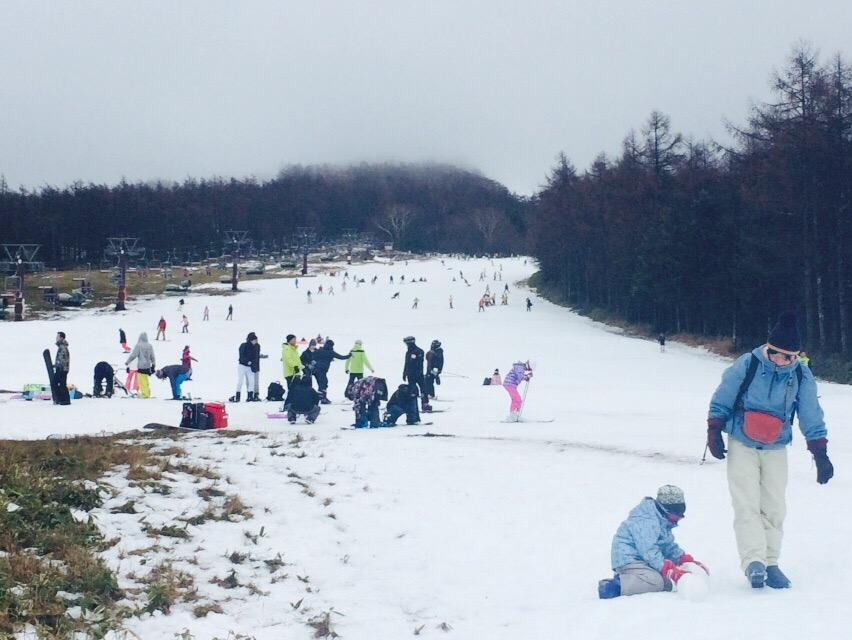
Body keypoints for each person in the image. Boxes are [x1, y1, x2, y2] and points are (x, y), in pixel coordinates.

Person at [706, 311, 832, 589]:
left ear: (796, 356)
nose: (781, 360)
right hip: (742, 441)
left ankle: (771, 562)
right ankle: (754, 562)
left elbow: (811, 412)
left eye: (788, 357)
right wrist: (714, 429)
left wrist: (820, 452)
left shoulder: (800, 374)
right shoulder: (748, 364)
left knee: (774, 506)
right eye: (776, 354)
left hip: (776, 445)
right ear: (768, 348)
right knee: (747, 503)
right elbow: (724, 395)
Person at [598, 486, 706, 599]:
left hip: (644, 560)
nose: (678, 520)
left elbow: (666, 545)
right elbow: (649, 551)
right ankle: (615, 586)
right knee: (657, 582)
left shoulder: (662, 520)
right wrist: (669, 569)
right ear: (665, 510)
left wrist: (683, 559)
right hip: (630, 559)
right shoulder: (646, 521)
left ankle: (633, 578)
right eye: (675, 516)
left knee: (666, 583)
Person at [310, 339, 349, 403]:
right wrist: (349, 355)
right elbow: (341, 357)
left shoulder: (320, 350)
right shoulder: (331, 352)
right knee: (323, 384)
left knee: (322, 383)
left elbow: (311, 356)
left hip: (315, 370)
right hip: (322, 370)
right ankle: (322, 399)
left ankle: (320, 398)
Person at [402, 336, 428, 412]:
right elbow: (406, 364)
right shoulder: (408, 352)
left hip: (418, 374)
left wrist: (416, 372)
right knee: (413, 391)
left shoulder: (419, 351)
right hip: (410, 375)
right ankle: (413, 406)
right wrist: (404, 373)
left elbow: (418, 363)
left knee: (423, 389)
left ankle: (425, 404)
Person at [230, 332, 259, 402]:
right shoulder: (243, 345)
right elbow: (241, 356)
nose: (256, 341)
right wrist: (247, 361)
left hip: (250, 367)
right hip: (242, 366)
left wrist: (254, 365)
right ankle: (237, 395)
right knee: (240, 381)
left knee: (252, 381)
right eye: (254, 340)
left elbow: (256, 357)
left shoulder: (256, 347)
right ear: (251, 340)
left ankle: (250, 396)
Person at [126, 332, 155, 398]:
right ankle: (147, 393)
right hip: (148, 366)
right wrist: (153, 365)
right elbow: (152, 356)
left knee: (142, 381)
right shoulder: (150, 345)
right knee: (145, 380)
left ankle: (145, 394)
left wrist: (127, 362)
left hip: (141, 366)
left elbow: (133, 355)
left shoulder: (138, 345)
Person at [52, 332, 71, 405]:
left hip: (62, 369)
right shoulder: (62, 347)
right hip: (62, 368)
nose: (56, 338)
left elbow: (62, 360)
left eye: (57, 337)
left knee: (60, 384)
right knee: (61, 384)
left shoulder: (62, 347)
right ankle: (62, 399)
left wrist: (58, 366)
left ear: (61, 338)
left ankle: (64, 400)